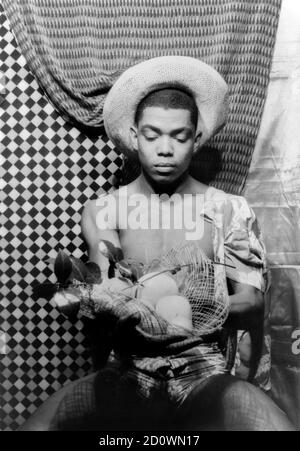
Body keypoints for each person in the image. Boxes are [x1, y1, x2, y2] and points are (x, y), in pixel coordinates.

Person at [19, 56, 295, 431]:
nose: (165, 148)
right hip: (129, 368)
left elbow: (252, 299)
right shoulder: (104, 210)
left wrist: (182, 306)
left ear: (196, 139)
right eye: (152, 135)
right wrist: (94, 296)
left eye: (179, 136)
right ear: (134, 137)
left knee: (271, 426)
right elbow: (105, 290)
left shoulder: (228, 208)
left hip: (202, 370)